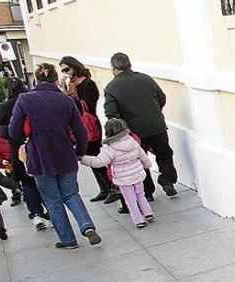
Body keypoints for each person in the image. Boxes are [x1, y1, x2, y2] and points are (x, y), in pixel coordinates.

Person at [9, 63, 102, 250]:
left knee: (52, 199)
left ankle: (68, 240)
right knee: (71, 193)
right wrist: (79, 152)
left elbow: (14, 130)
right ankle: (87, 226)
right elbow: (81, 132)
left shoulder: (25, 99)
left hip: (40, 157)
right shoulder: (66, 100)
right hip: (65, 153)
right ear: (54, 79)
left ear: (36, 78)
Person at [103, 53, 177, 199]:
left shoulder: (111, 87)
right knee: (164, 154)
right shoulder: (145, 78)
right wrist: (154, 112)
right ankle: (167, 180)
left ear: (113, 67)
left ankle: (147, 192)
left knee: (139, 160)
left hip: (134, 131)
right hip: (156, 125)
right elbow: (161, 97)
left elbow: (111, 113)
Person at [59, 56, 115, 204]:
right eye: (63, 71)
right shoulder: (72, 85)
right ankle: (104, 189)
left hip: (90, 125)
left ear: (74, 67)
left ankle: (111, 187)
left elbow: (87, 106)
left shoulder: (87, 84)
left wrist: (67, 96)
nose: (66, 73)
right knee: (89, 158)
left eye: (67, 69)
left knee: (96, 157)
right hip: (79, 126)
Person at [81, 119, 155, 228]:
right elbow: (142, 155)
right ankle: (148, 214)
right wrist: (147, 164)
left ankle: (139, 220)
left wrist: (83, 159)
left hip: (123, 179)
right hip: (137, 174)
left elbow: (98, 162)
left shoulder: (110, 149)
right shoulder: (132, 141)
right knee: (140, 195)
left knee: (130, 200)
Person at [0, 78, 48, 231]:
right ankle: (52, 211)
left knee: (27, 183)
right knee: (45, 181)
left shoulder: (3, 107)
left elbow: (3, 133)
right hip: (40, 146)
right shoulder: (35, 99)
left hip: (18, 150)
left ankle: (36, 214)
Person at [0, 128, 22, 207]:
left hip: (21, 159)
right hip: (8, 162)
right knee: (11, 180)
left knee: (26, 180)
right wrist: (0, 159)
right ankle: (16, 195)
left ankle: (27, 195)